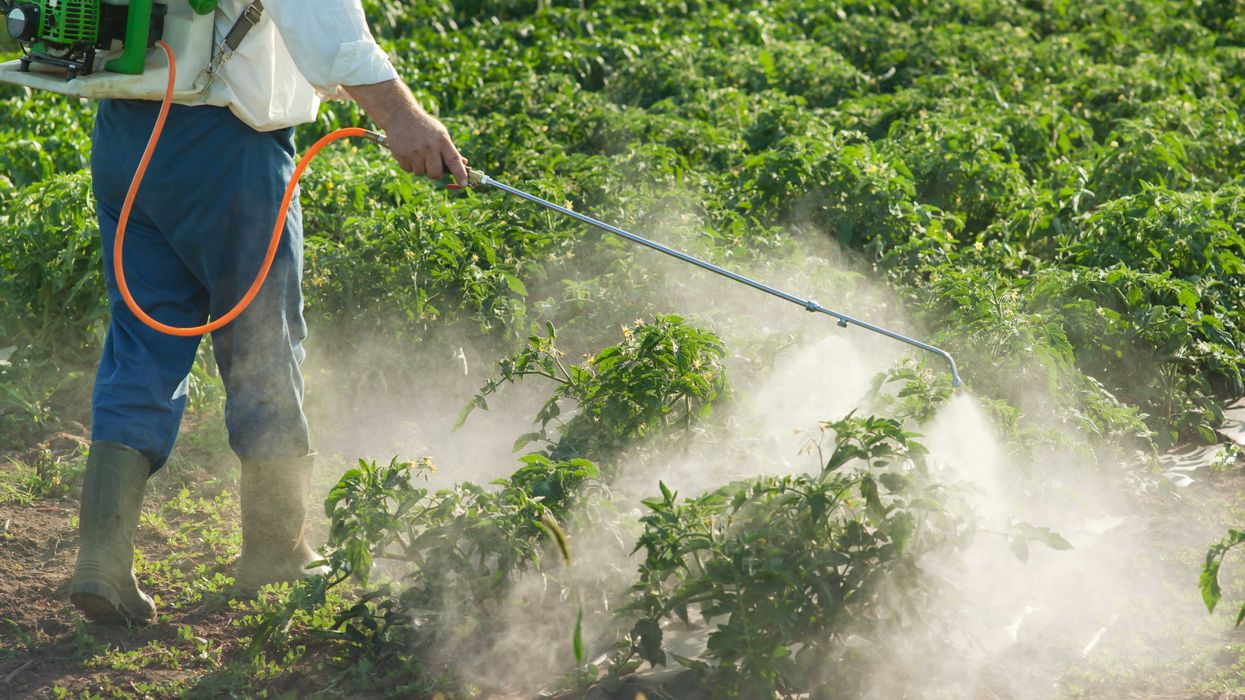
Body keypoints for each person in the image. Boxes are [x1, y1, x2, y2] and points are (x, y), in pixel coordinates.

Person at [69, 0, 467, 624]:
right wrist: (402, 117)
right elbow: (324, 24)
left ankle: (101, 561)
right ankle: (275, 551)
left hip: (125, 137)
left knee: (141, 342)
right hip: (225, 147)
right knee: (263, 343)